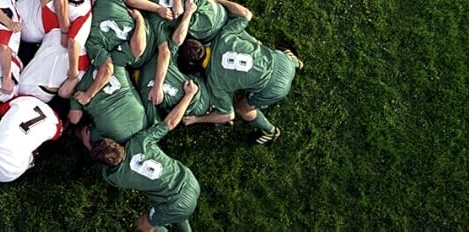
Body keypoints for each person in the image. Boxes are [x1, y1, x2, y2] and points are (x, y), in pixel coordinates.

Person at [82, 79, 202, 232]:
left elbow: (102, 162)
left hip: (175, 204)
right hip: (189, 181)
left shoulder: (114, 177)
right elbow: (170, 122)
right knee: (175, 210)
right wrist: (189, 95)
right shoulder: (140, 141)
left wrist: (87, 144)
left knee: (144, 226)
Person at [176, 17, 303, 145]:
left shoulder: (214, 83)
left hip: (276, 89)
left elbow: (228, 115)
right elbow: (246, 14)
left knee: (242, 108)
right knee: (251, 42)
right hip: (283, 62)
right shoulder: (223, 36)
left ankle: (270, 131)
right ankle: (295, 62)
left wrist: (196, 119)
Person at [0, 95, 63, 192]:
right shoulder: (56, 124)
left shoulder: (26, 99)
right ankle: (31, 161)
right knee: (30, 154)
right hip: (10, 173)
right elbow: (57, 136)